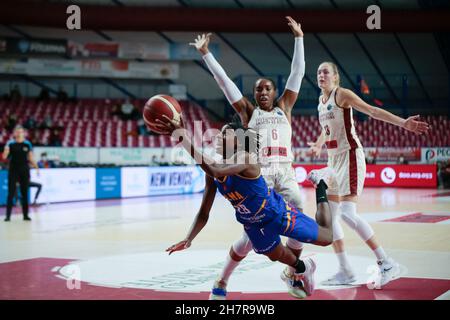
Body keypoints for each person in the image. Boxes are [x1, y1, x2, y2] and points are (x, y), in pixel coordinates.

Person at [189, 16, 307, 299]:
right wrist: (206, 54)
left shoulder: (285, 109)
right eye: (258, 89)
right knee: (250, 239)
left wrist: (299, 39)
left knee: (299, 220)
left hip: (286, 173)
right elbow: (224, 82)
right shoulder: (248, 113)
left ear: (275, 92)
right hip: (260, 175)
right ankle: (221, 281)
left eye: (267, 89)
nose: (263, 92)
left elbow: (297, 74)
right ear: (254, 95)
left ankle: (292, 273)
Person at [162, 116, 334, 298]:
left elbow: (216, 170)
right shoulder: (211, 173)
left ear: (239, 140)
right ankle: (304, 267)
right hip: (252, 223)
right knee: (276, 255)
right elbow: (204, 213)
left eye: (225, 133)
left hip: (277, 213)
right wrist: (188, 239)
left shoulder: (246, 158)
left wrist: (182, 136)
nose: (219, 137)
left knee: (327, 238)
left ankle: (320, 184)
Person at [307, 61, 429, 287]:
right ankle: (345, 270)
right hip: (333, 161)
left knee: (346, 214)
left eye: (325, 71)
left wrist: (404, 123)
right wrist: (317, 144)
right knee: (330, 220)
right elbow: (327, 131)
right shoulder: (320, 102)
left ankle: (386, 262)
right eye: (318, 72)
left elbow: (372, 111)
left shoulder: (341, 95)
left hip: (350, 157)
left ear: (335, 77)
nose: (320, 75)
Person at [2, 126, 39, 221]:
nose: (19, 133)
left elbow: (30, 158)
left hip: (24, 170)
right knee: (10, 193)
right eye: (17, 132)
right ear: (14, 133)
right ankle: (8, 216)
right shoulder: (10, 143)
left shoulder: (27, 144)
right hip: (13, 169)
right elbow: (5, 157)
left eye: (21, 132)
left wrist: (36, 167)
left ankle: (25, 215)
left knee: (24, 193)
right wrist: (5, 152)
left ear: (24, 133)